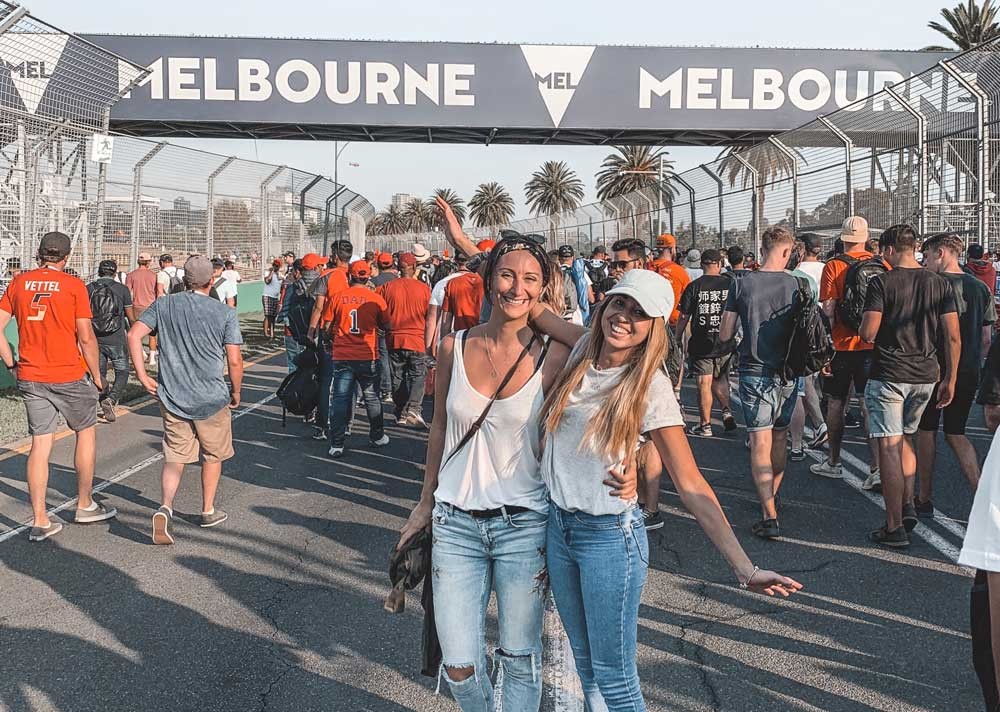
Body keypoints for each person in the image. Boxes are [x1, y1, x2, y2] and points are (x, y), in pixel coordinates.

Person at [539, 268, 802, 711]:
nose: (624, 317)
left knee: (615, 677)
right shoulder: (584, 346)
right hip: (559, 528)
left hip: (607, 539)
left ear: (655, 328)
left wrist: (745, 568)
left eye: (640, 313)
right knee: (586, 665)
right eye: (620, 303)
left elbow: (691, 483)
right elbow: (533, 311)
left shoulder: (651, 386)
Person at [396, 232, 571, 711]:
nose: (518, 287)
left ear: (546, 287)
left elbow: (611, 352)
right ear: (488, 280)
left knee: (519, 657)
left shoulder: (553, 352)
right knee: (458, 664)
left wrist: (539, 313)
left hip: (524, 523)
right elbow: (438, 427)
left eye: (532, 279)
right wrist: (425, 500)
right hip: (455, 524)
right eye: (508, 275)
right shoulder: (453, 346)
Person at [0, 231, 117, 541]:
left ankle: (40, 519)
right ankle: (84, 503)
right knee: (85, 432)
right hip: (67, 372)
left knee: (40, 444)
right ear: (66, 257)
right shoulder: (73, 285)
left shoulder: (19, 283)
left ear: (39, 254)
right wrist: (96, 374)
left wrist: (11, 363)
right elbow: (86, 337)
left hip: (31, 374)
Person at [127, 255, 243, 545]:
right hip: (211, 396)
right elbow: (234, 359)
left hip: (173, 394)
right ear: (211, 280)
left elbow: (133, 335)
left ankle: (165, 506)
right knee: (212, 455)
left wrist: (143, 376)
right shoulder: (224, 313)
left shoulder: (165, 305)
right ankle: (207, 509)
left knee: (175, 456)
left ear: (184, 280)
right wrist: (236, 390)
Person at [858, 224, 959, 548]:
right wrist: (950, 378)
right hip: (927, 375)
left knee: (889, 445)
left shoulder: (881, 282)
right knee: (907, 439)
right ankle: (909, 502)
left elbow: (869, 332)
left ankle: (894, 525)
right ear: (914, 247)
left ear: (888, 250)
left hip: (890, 373)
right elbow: (952, 335)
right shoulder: (940, 283)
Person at [719, 226, 809, 539]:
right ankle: (772, 495)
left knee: (760, 441)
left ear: (762, 248)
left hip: (754, 370)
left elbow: (725, 333)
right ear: (788, 251)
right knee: (780, 437)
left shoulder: (741, 283)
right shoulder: (798, 284)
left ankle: (768, 514)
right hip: (788, 371)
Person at [916, 232, 995, 510]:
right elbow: (986, 338)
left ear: (941, 253)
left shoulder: (930, 285)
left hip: (934, 368)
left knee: (925, 430)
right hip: (969, 368)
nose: (924, 263)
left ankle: (923, 496)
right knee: (956, 432)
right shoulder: (979, 288)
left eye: (926, 257)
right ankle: (981, 495)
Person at [811, 217, 883, 487]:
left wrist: (826, 347)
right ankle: (875, 468)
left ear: (842, 238)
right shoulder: (881, 264)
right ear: (866, 237)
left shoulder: (834, 265)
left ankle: (833, 461)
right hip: (872, 344)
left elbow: (828, 310)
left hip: (841, 346)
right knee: (869, 405)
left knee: (837, 403)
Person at [326, 260, 391, 458]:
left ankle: (337, 443)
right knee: (371, 396)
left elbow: (326, 327)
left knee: (340, 399)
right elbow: (386, 326)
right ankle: (377, 435)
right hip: (367, 354)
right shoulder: (376, 299)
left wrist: (331, 341)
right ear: (367, 276)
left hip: (343, 355)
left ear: (350, 276)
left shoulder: (338, 297)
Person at [675, 249, 737, 437]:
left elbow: (684, 316)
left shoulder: (695, 286)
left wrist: (677, 338)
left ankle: (706, 425)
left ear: (702, 265)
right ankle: (726, 410)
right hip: (724, 341)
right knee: (721, 378)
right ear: (719, 264)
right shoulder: (730, 285)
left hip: (701, 342)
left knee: (704, 382)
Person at [378, 253, 432, 428]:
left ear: (398, 268)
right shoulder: (424, 289)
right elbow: (429, 315)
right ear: (414, 268)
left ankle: (401, 411)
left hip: (394, 338)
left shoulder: (387, 287)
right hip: (417, 339)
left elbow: (380, 311)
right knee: (418, 374)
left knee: (398, 376)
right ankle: (413, 408)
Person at [87, 260, 136, 422]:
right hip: (116, 338)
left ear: (99, 271)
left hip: (94, 338)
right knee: (122, 372)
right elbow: (130, 316)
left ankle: (102, 401)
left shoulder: (89, 289)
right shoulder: (122, 290)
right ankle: (112, 398)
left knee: (99, 374)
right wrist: (134, 332)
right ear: (115, 273)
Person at [649, 233, 690, 329]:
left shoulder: (647, 268)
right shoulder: (680, 271)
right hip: (672, 322)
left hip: (650, 321)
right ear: (672, 249)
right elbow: (688, 298)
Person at [125, 252, 157, 365]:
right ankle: (152, 357)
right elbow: (157, 292)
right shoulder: (153, 275)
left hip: (136, 306)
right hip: (151, 306)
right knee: (152, 333)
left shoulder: (131, 275)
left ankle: (142, 352)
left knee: (136, 332)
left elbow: (127, 292)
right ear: (148, 262)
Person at [441, 253, 484, 337]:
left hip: (461, 337)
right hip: (483, 336)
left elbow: (446, 322)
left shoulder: (452, 283)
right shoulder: (488, 283)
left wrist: (444, 343)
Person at [262, 259, 282, 338]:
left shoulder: (279, 275)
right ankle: (266, 332)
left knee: (273, 316)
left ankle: (272, 333)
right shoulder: (269, 273)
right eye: (274, 265)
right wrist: (272, 272)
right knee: (268, 315)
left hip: (275, 297)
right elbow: (267, 281)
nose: (275, 267)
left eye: (277, 266)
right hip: (267, 295)